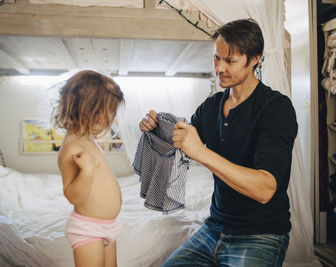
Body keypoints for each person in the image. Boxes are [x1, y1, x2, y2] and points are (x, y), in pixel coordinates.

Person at [139, 19, 298, 266]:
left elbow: (265, 189)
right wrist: (156, 128)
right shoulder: (210, 107)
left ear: (255, 59)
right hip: (214, 229)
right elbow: (182, 142)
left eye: (230, 61)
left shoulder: (276, 108)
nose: (219, 67)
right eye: (216, 58)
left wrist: (201, 152)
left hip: (260, 234)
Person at [54, 70, 124, 267]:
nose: (110, 119)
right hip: (88, 229)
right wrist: (87, 172)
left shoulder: (87, 140)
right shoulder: (71, 148)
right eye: (107, 112)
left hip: (109, 226)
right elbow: (72, 195)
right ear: (86, 109)